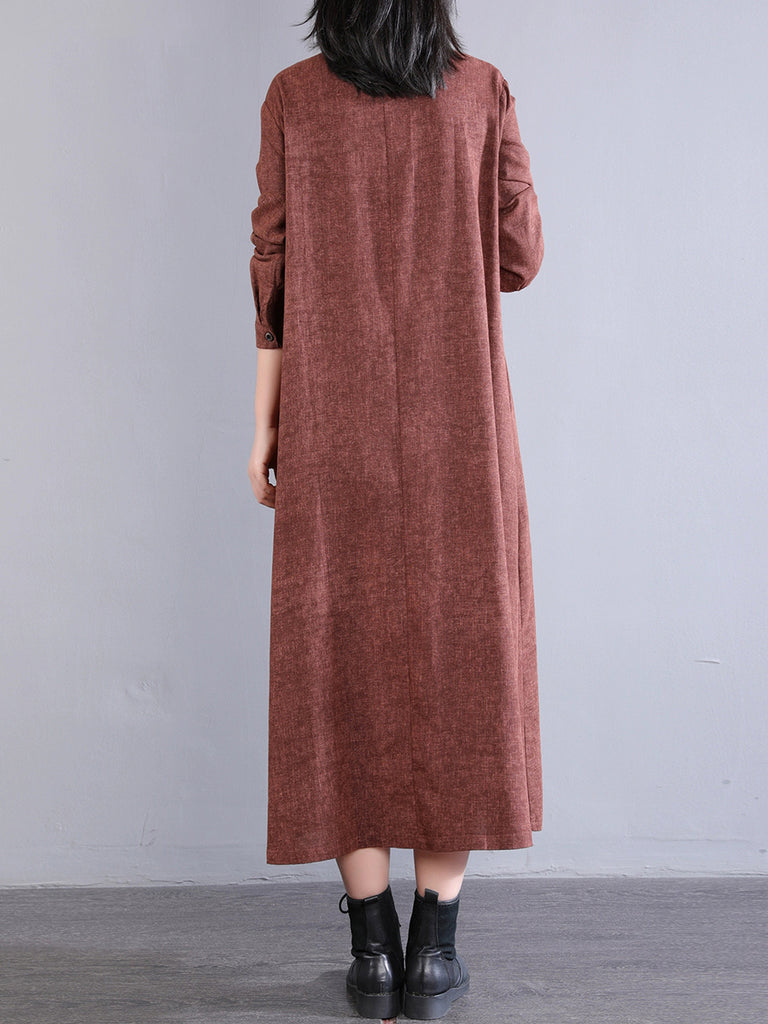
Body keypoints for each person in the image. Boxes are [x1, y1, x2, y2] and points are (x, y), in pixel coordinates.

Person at [247, 0, 544, 1018]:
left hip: (331, 421)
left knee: (339, 658)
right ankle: (435, 952)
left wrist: (264, 428)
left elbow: (273, 270)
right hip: (460, 423)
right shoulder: (482, 92)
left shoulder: (293, 100)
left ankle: (372, 952)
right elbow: (519, 257)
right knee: (462, 659)